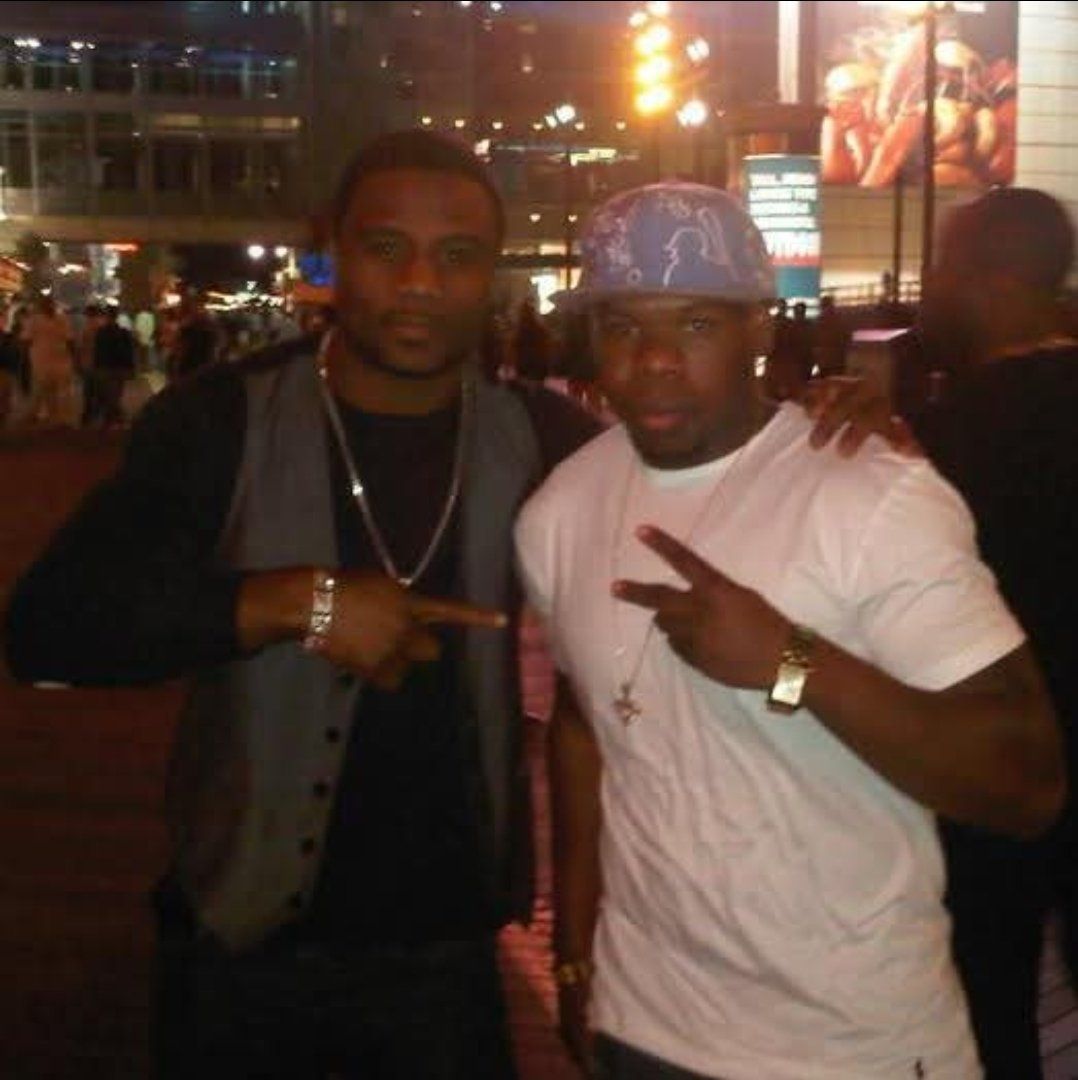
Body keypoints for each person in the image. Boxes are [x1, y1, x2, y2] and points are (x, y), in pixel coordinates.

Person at [5, 130, 598, 1079]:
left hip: (448, 955)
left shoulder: (543, 435)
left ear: (490, 271)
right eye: (385, 247)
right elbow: (52, 625)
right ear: (331, 249)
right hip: (240, 957)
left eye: (456, 256)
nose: (419, 283)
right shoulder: (220, 419)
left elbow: (710, 496)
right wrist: (293, 605)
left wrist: (825, 440)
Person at [513, 181, 1065, 1080]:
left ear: (759, 329)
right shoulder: (557, 513)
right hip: (643, 1029)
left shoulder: (869, 495)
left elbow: (1026, 781)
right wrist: (575, 950)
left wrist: (791, 661)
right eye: (622, 326)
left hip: (851, 1048)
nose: (654, 360)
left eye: (697, 323)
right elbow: (583, 726)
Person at [811, 187, 1078, 1080]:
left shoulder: (933, 443)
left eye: (942, 266)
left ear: (987, 281)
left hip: (988, 760)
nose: (928, 286)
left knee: (989, 1002)